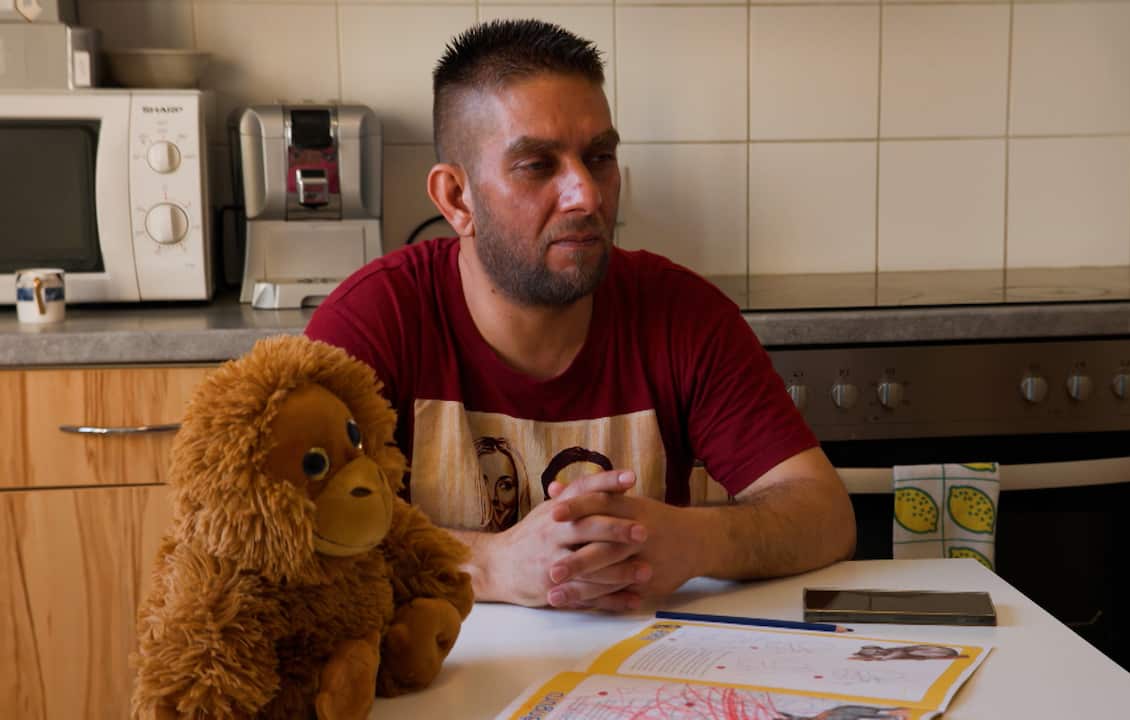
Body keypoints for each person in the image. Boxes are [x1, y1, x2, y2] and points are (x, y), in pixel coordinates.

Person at [305, 18, 856, 611]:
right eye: (538, 165)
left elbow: (825, 514)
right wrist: (490, 565)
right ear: (457, 199)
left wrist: (692, 539)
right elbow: (287, 527)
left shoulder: (685, 314)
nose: (587, 195)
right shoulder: (373, 319)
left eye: (599, 157)